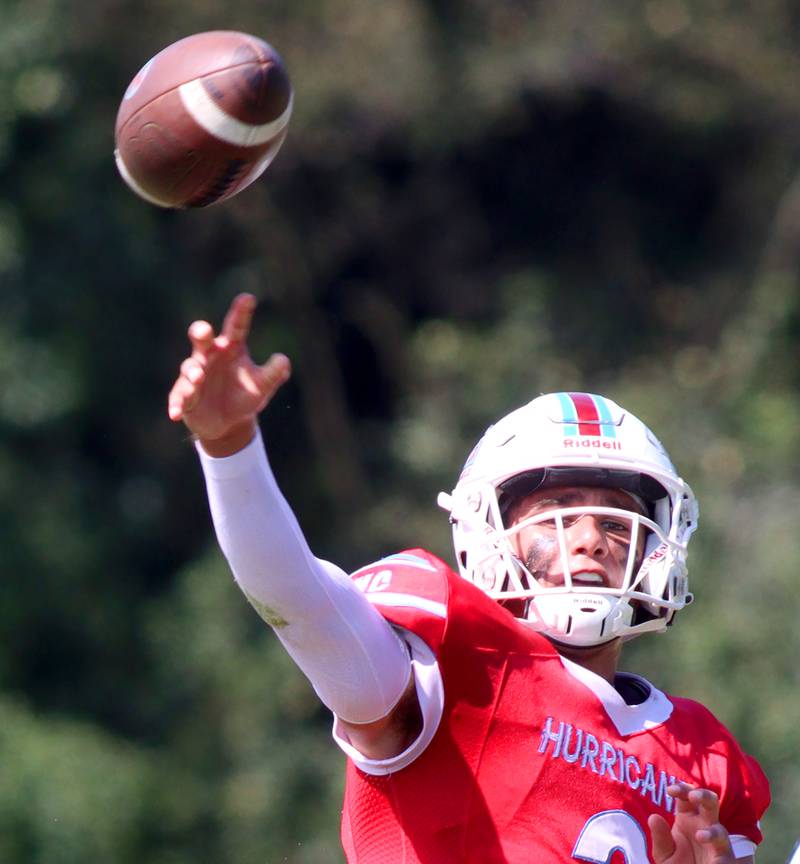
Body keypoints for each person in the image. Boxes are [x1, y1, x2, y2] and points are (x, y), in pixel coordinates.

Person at [168, 293, 770, 863]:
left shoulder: (703, 756)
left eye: (616, 522)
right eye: (555, 515)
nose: (588, 538)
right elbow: (299, 602)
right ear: (488, 530)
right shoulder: (456, 664)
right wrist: (229, 447)